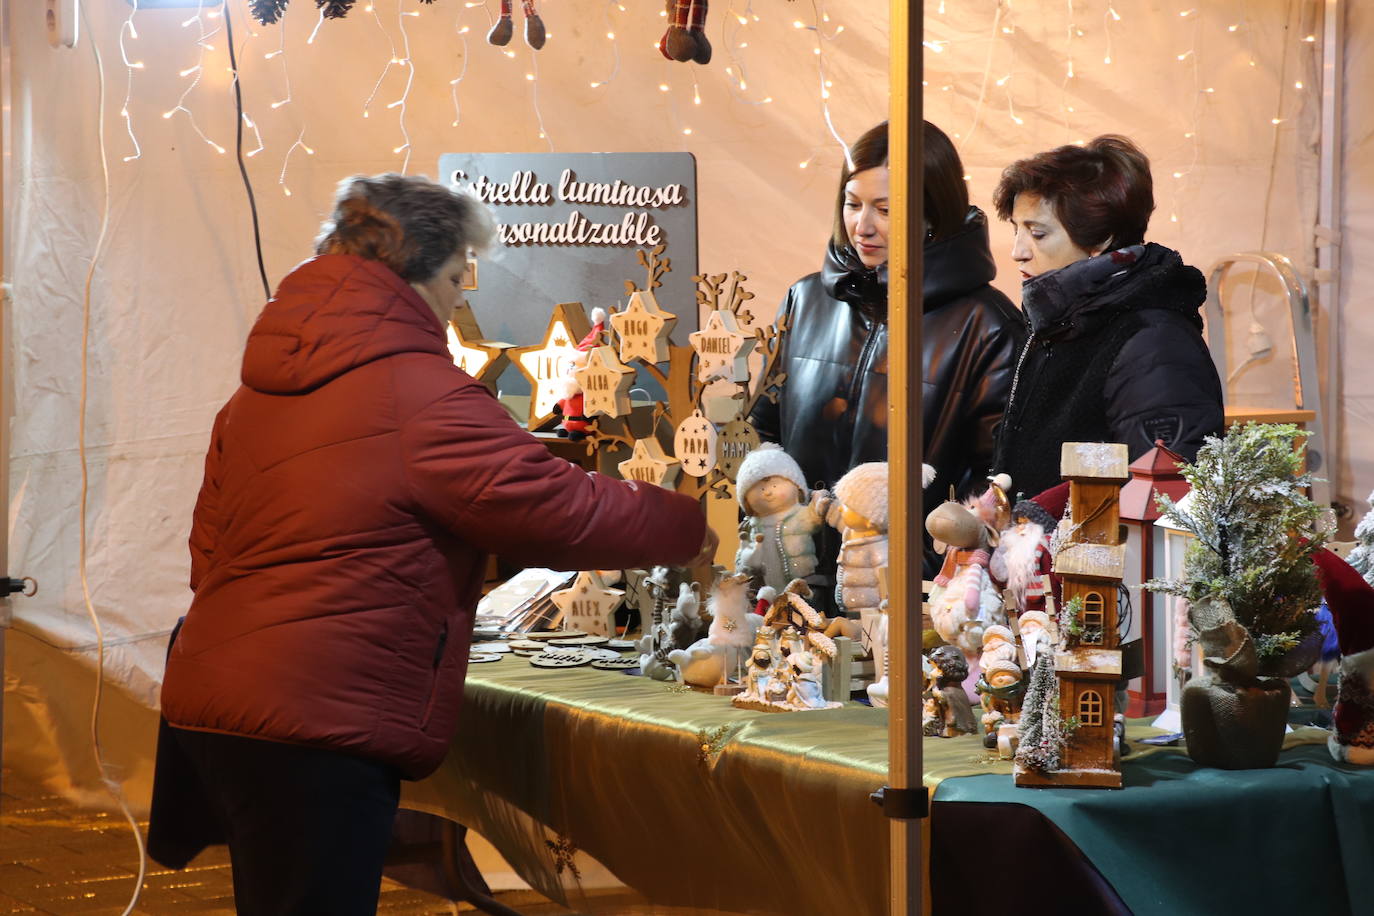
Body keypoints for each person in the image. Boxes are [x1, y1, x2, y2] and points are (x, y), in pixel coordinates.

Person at [153, 174, 715, 914]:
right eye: (454, 276)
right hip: (317, 717)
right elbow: (559, 508)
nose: (458, 298)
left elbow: (208, 548)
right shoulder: (420, 393)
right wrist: (688, 526)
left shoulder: (259, 391)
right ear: (411, 275)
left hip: (221, 691)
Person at [751, 120, 1024, 582]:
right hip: (794, 582)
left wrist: (919, 566)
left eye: (885, 209)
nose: (863, 226)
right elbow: (764, 430)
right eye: (852, 204)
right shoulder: (805, 300)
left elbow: (996, 484)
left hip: (912, 596)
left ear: (932, 214)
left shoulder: (987, 325)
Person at [991, 135, 1224, 498]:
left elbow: (1165, 496)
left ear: (1100, 239)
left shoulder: (1153, 341)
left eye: (1037, 233)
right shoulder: (1059, 321)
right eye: (1015, 229)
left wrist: (1041, 518)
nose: (1018, 251)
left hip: (1095, 537)